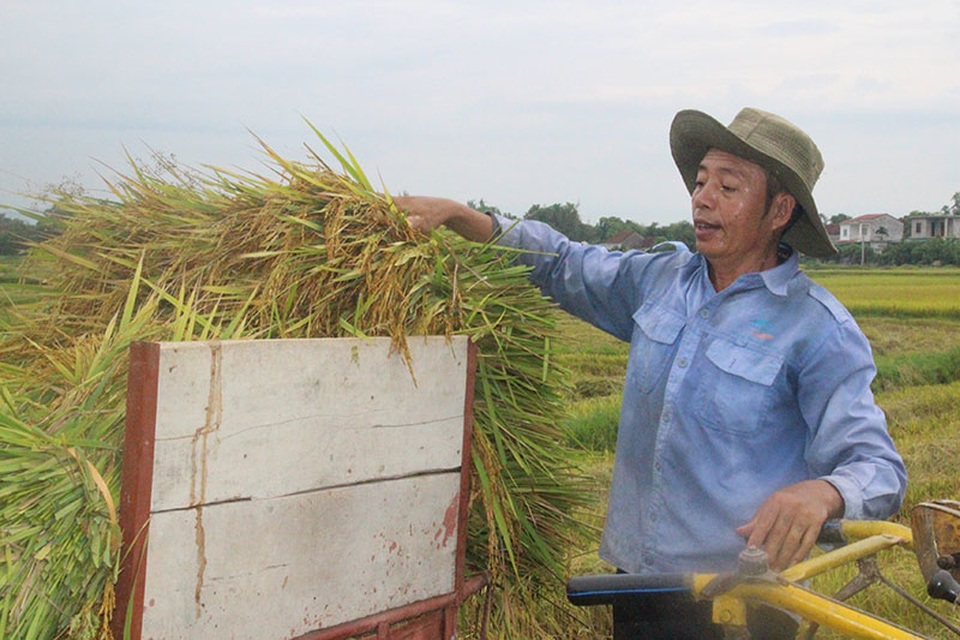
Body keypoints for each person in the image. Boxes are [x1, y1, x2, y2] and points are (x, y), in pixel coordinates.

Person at [395, 107, 907, 638]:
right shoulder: (659, 280)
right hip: (640, 583)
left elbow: (877, 465)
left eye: (728, 187)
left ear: (779, 210)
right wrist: (462, 215)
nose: (703, 198)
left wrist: (822, 494)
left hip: (744, 598)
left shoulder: (817, 329)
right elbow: (565, 264)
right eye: (702, 181)